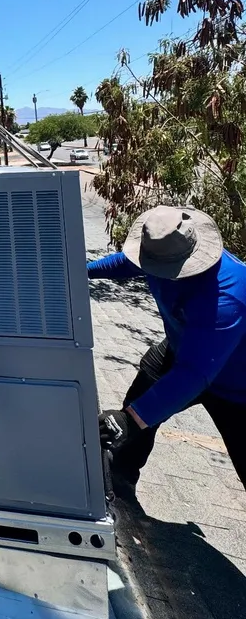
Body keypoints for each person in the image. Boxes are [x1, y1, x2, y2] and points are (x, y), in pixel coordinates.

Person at [88, 205, 246, 493]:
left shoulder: (228, 296)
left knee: (133, 417)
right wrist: (81, 271)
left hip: (237, 388)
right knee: (139, 405)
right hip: (180, 352)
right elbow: (124, 264)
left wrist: (130, 419)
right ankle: (121, 477)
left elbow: (193, 374)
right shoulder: (162, 253)